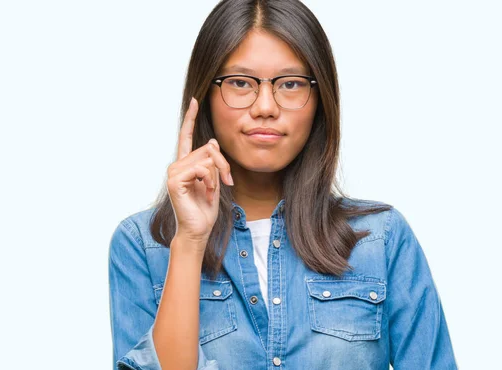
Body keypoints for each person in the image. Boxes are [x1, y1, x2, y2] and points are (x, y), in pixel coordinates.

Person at [108, 0, 458, 369]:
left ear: (320, 100)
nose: (265, 106)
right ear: (205, 95)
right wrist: (190, 242)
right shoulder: (141, 246)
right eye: (240, 82)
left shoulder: (382, 238)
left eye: (290, 84)